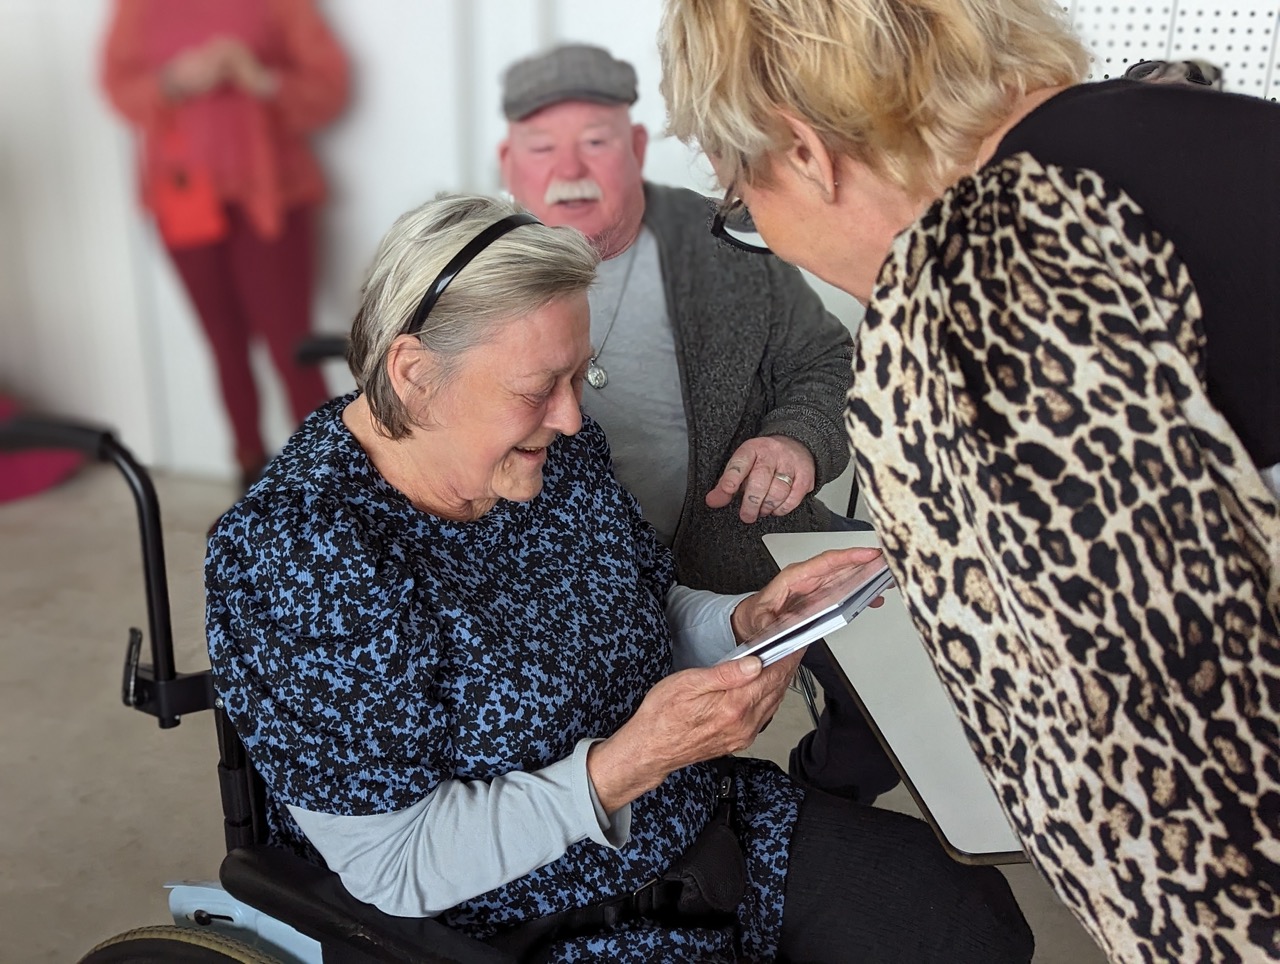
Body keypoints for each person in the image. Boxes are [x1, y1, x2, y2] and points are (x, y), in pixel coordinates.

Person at [205, 194, 1034, 963]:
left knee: (973, 922)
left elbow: (641, 606)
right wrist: (621, 767)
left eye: (577, 375)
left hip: (693, 820)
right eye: (539, 389)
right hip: (524, 916)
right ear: (415, 374)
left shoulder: (548, 457)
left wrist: (744, 620)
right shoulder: (300, 559)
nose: (571, 416)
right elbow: (391, 864)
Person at [658, 1, 1280, 960]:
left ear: (805, 150)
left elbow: (1185, 805)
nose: (765, 235)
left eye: (744, 201)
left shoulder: (973, 286)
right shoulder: (1184, 129)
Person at [498, 43, 899, 803]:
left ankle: (817, 809)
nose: (570, 168)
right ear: (510, 162)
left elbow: (827, 363)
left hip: (738, 547)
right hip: (573, 583)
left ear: (637, 148)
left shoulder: (728, 239)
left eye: (596, 142)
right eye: (543, 147)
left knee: (892, 667)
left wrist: (797, 439)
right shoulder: (478, 272)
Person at [101, 0, 349, 490]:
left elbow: (330, 89)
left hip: (270, 196)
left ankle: (331, 484)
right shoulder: (136, 7)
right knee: (224, 344)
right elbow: (118, 88)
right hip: (181, 200)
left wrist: (258, 78)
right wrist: (173, 81)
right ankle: (250, 471)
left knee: (292, 347)